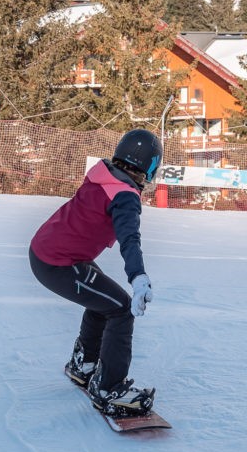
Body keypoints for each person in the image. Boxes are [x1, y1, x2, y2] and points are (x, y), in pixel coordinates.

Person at [29, 128, 162, 417]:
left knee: (105, 301)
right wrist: (138, 276)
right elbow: (129, 239)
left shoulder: (104, 173)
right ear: (150, 166)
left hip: (50, 251)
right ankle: (108, 388)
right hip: (59, 262)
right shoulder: (125, 195)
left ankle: (84, 364)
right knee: (121, 309)